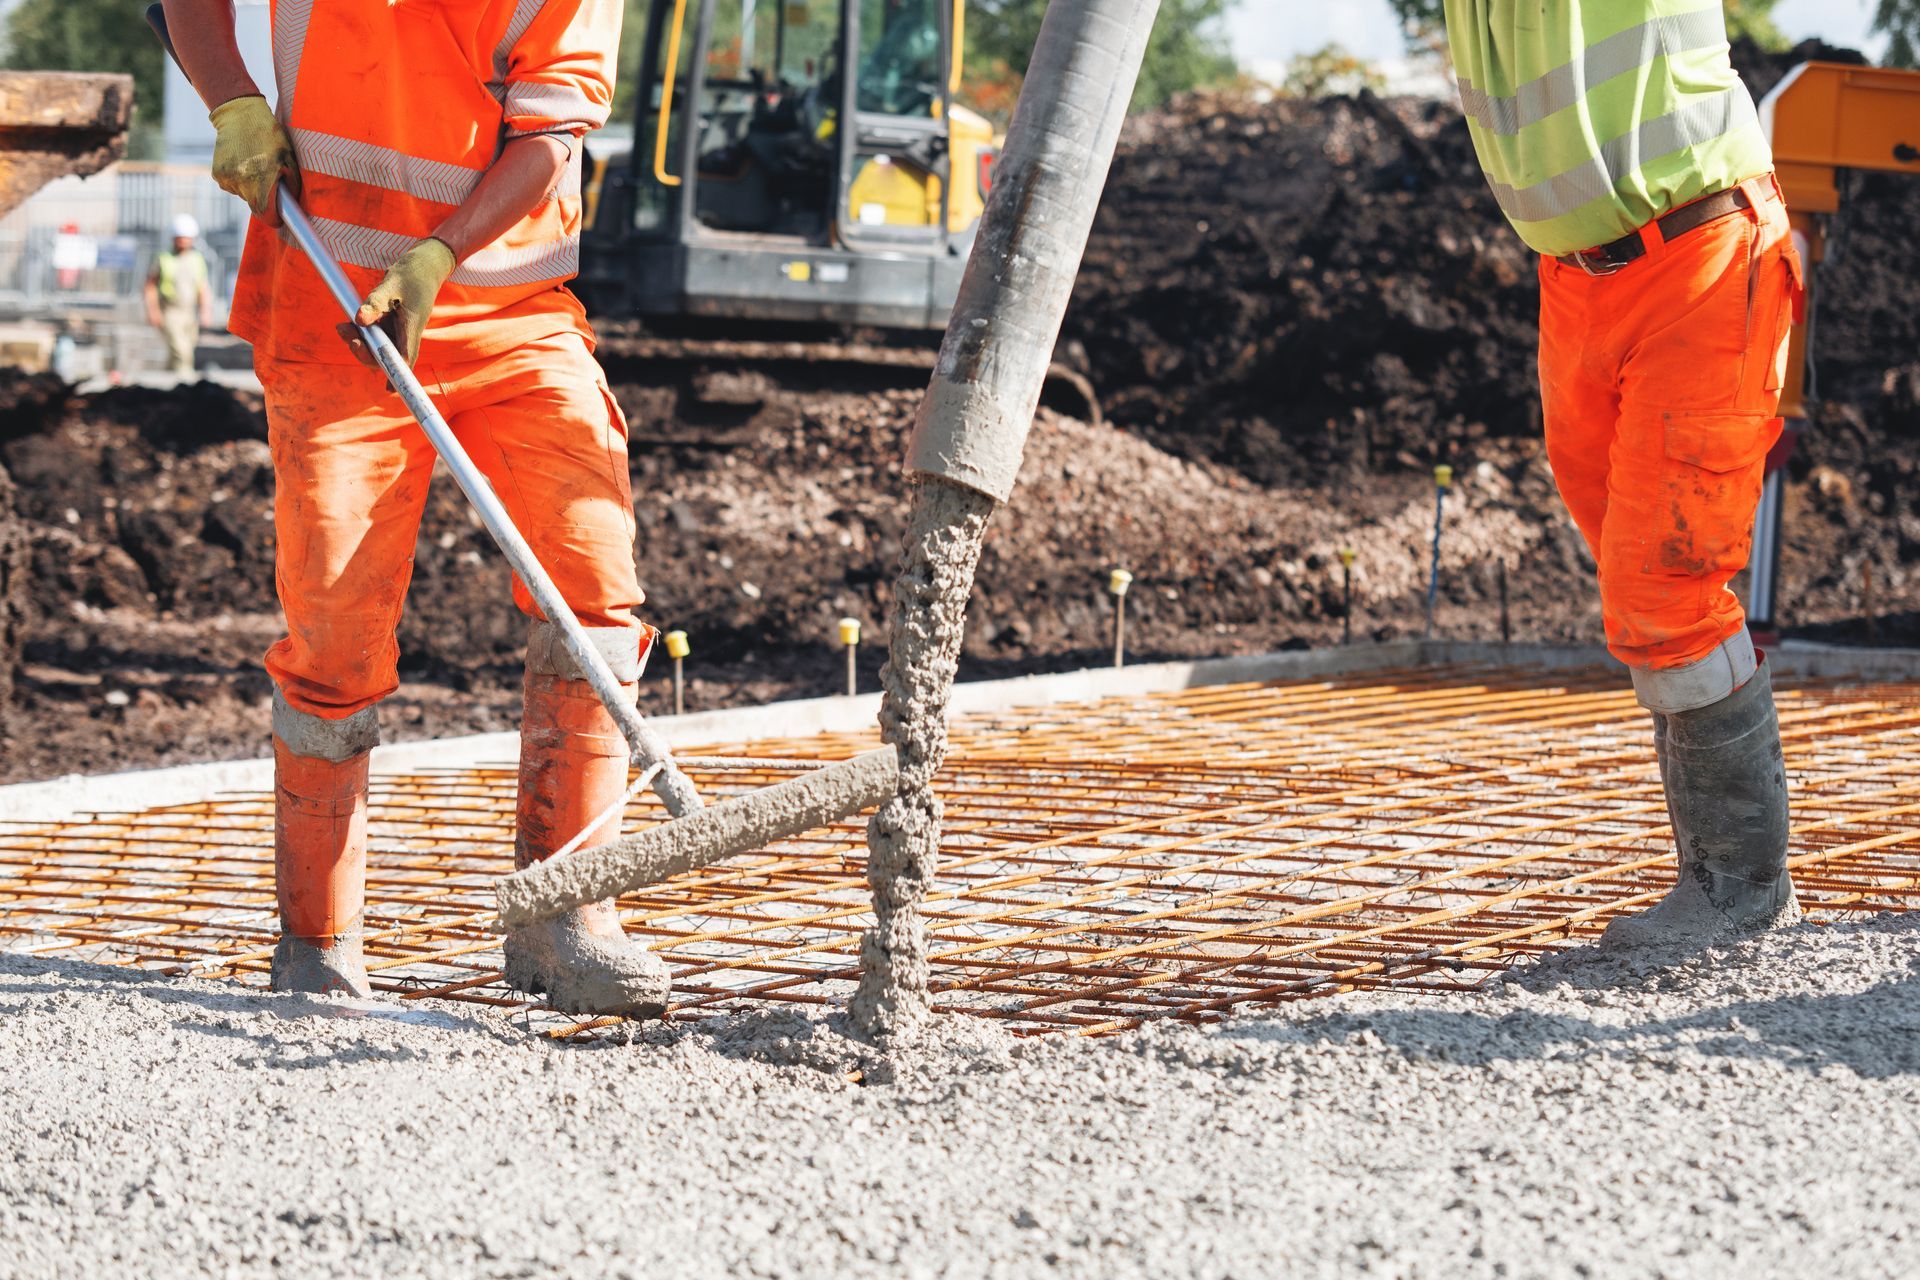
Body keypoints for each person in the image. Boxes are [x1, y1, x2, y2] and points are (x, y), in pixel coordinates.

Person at [163, 0, 664, 1015]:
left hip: (510, 306)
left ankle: (567, 916)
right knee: (337, 635)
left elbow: (549, 133)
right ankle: (316, 938)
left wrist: (440, 252)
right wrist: (233, 101)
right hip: (332, 301)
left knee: (595, 584)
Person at [1441, 2, 1804, 947]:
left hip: (1699, 254)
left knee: (1665, 584)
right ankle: (1714, 878)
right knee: (1638, 588)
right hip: (1576, 282)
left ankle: (1741, 889)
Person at [143, 214, 214, 374]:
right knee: (182, 353)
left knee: (180, 352)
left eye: (186, 238)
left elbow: (203, 288)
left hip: (189, 313)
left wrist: (205, 312)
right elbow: (150, 287)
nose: (183, 242)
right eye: (180, 238)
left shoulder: (196, 259)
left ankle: (165, 385)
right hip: (170, 312)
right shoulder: (164, 259)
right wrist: (153, 311)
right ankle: (186, 385)